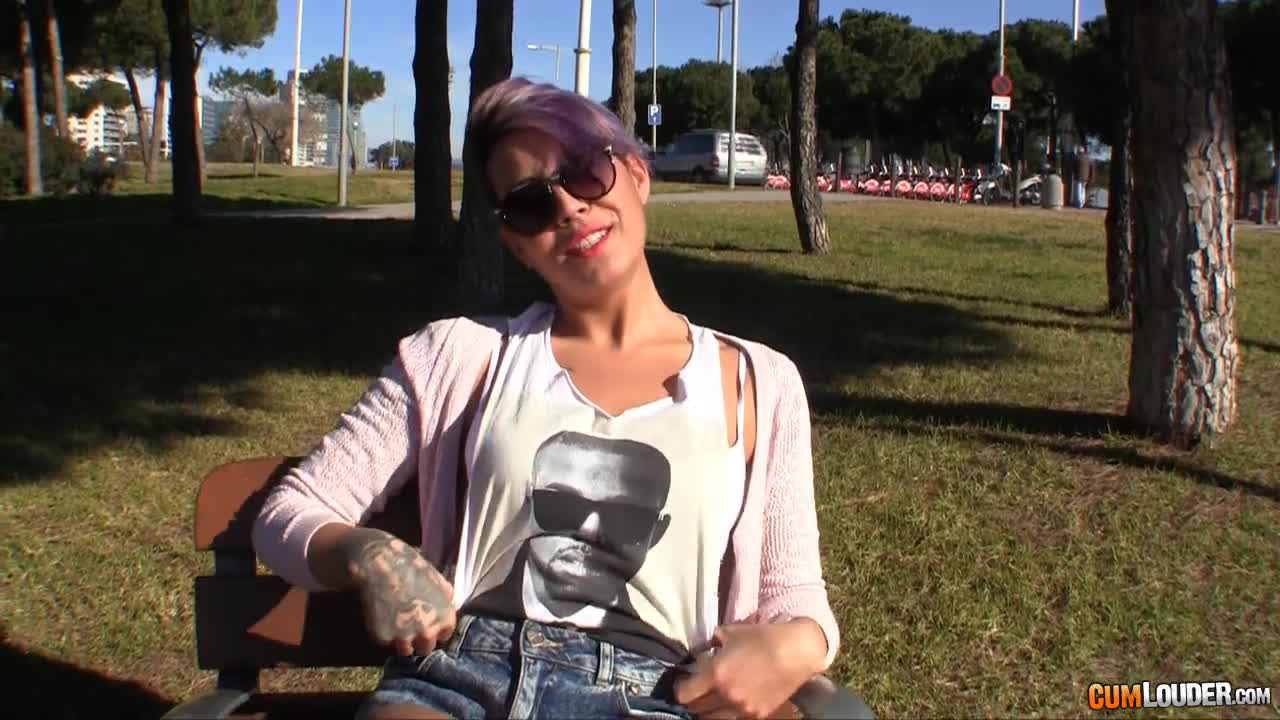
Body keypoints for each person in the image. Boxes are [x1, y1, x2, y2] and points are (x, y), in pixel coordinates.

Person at [252, 77, 840, 720]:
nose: (566, 207)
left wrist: (797, 647)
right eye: (530, 204)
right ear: (516, 243)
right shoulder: (456, 355)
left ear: (636, 176)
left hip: (655, 692)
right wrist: (366, 554)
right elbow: (293, 510)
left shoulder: (758, 381)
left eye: (585, 171)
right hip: (454, 676)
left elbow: (794, 593)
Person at [1073, 144, 1093, 209]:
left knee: (1078, 190)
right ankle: (1082, 203)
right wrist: (1090, 177)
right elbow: (1091, 168)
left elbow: (1074, 168)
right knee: (1083, 190)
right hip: (1086, 178)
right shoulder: (1088, 158)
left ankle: (1079, 204)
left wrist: (1074, 174)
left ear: (1079, 151)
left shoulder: (1076, 158)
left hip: (1078, 177)